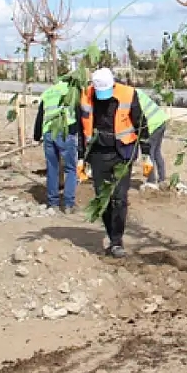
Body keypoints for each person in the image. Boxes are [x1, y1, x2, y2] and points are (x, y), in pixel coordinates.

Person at [79, 68, 146, 258]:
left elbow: (141, 122)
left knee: (119, 198)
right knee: (103, 199)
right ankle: (110, 235)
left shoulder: (127, 94)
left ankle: (117, 241)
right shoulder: (85, 96)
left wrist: (147, 154)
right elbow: (80, 127)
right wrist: (79, 158)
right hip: (98, 154)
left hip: (122, 153)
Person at [33, 79, 80, 214]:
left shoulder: (48, 92)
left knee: (52, 168)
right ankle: (68, 204)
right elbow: (78, 113)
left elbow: (40, 115)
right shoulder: (72, 91)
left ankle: (52, 203)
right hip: (66, 132)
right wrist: (77, 132)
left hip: (49, 133)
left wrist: (37, 136)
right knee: (70, 168)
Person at [136, 88, 169, 189]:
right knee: (156, 151)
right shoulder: (137, 91)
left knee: (148, 152)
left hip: (152, 125)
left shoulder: (129, 97)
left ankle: (151, 181)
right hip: (161, 120)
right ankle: (162, 179)